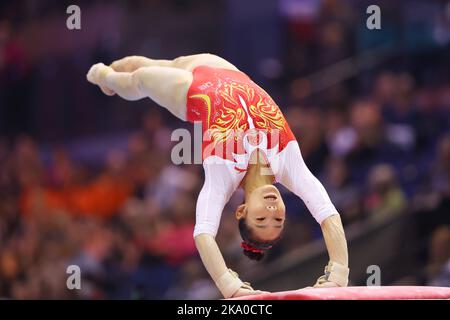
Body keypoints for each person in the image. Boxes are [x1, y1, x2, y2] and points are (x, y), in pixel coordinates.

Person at [87, 53, 349, 298]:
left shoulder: (223, 173)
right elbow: (327, 214)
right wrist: (339, 272)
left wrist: (229, 285)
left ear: (241, 210)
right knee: (151, 62)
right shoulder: (289, 164)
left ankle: (105, 79)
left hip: (187, 90)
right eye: (277, 217)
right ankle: (113, 77)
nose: (271, 208)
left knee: (141, 78)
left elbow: (203, 233)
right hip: (228, 70)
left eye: (261, 217)